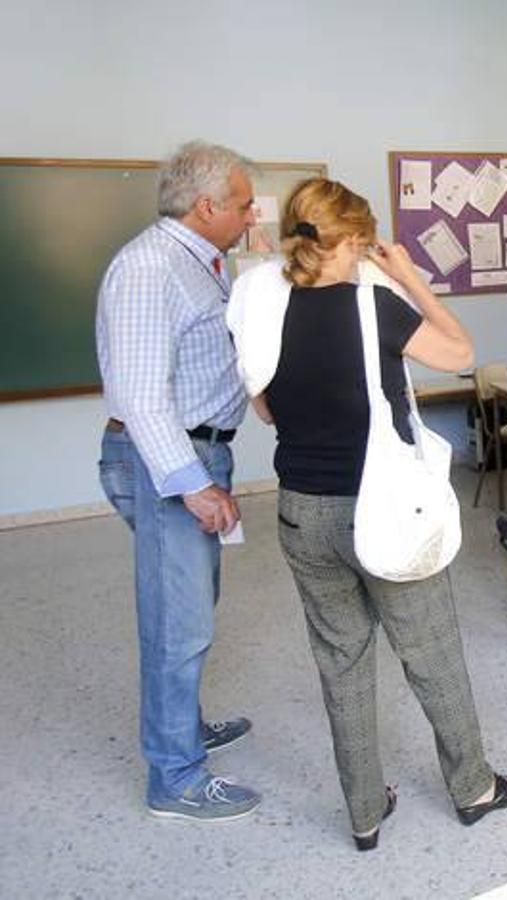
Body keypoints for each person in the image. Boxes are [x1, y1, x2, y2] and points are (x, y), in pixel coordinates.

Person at [235, 178, 507, 849]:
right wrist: (412, 279)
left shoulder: (263, 306)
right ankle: (474, 788)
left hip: (301, 514)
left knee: (340, 662)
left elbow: (265, 408)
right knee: (431, 655)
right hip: (383, 509)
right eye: (366, 243)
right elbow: (461, 356)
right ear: (351, 243)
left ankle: (365, 810)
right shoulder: (376, 306)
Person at [95, 140, 262, 822]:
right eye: (246, 203)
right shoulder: (148, 267)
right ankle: (175, 776)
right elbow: (139, 395)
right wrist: (192, 484)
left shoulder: (201, 264)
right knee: (177, 624)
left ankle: (182, 730)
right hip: (167, 461)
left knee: (192, 610)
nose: (253, 214)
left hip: (199, 454)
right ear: (207, 206)